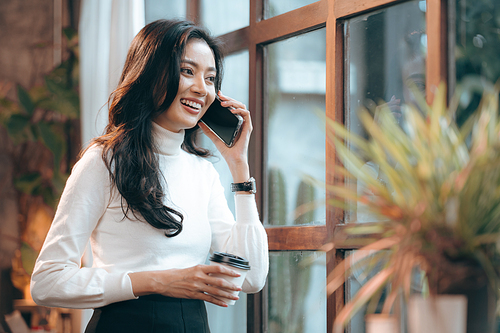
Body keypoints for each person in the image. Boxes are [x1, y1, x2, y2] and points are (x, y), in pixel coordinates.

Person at [30, 19, 269, 333]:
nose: (202, 88)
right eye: (187, 71)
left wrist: (239, 168)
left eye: (210, 78)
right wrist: (159, 281)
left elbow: (251, 278)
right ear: (151, 74)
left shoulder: (203, 172)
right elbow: (47, 282)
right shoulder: (104, 161)